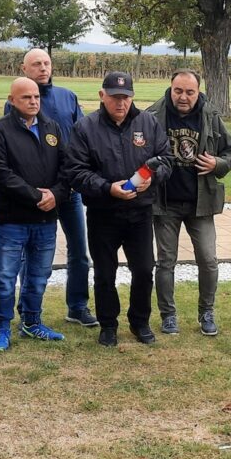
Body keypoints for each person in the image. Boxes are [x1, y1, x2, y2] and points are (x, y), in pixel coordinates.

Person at [63, 71, 171, 347]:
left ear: (132, 97)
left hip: (140, 213)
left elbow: (166, 160)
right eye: (114, 97)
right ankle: (108, 325)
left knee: (144, 270)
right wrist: (107, 187)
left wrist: (153, 178)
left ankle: (140, 322)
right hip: (103, 213)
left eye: (125, 97)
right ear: (102, 95)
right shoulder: (85, 127)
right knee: (104, 273)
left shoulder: (148, 122)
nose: (120, 103)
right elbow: (75, 171)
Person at [6, 48, 96, 328]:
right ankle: (29, 311)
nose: (43, 68)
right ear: (24, 69)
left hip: (68, 190)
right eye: (36, 64)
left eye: (46, 63)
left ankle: (77, 306)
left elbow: (83, 137)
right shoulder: (17, 102)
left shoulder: (68, 97)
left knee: (79, 250)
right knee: (30, 253)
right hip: (36, 195)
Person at [146, 70, 231, 336]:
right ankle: (168, 315)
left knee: (208, 260)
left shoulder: (210, 115)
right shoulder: (152, 115)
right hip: (165, 203)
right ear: (170, 88)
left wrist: (217, 164)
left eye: (190, 92)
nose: (183, 97)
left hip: (201, 203)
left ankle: (206, 312)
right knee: (166, 262)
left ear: (198, 91)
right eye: (178, 91)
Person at [0, 77, 69, 350]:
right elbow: (0, 174)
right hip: (12, 221)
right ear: (12, 100)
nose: (33, 101)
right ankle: (2, 328)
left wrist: (56, 194)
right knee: (5, 278)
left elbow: (66, 167)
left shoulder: (51, 127)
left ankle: (32, 323)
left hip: (45, 220)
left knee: (38, 276)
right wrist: (37, 196)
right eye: (26, 97)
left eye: (36, 97)